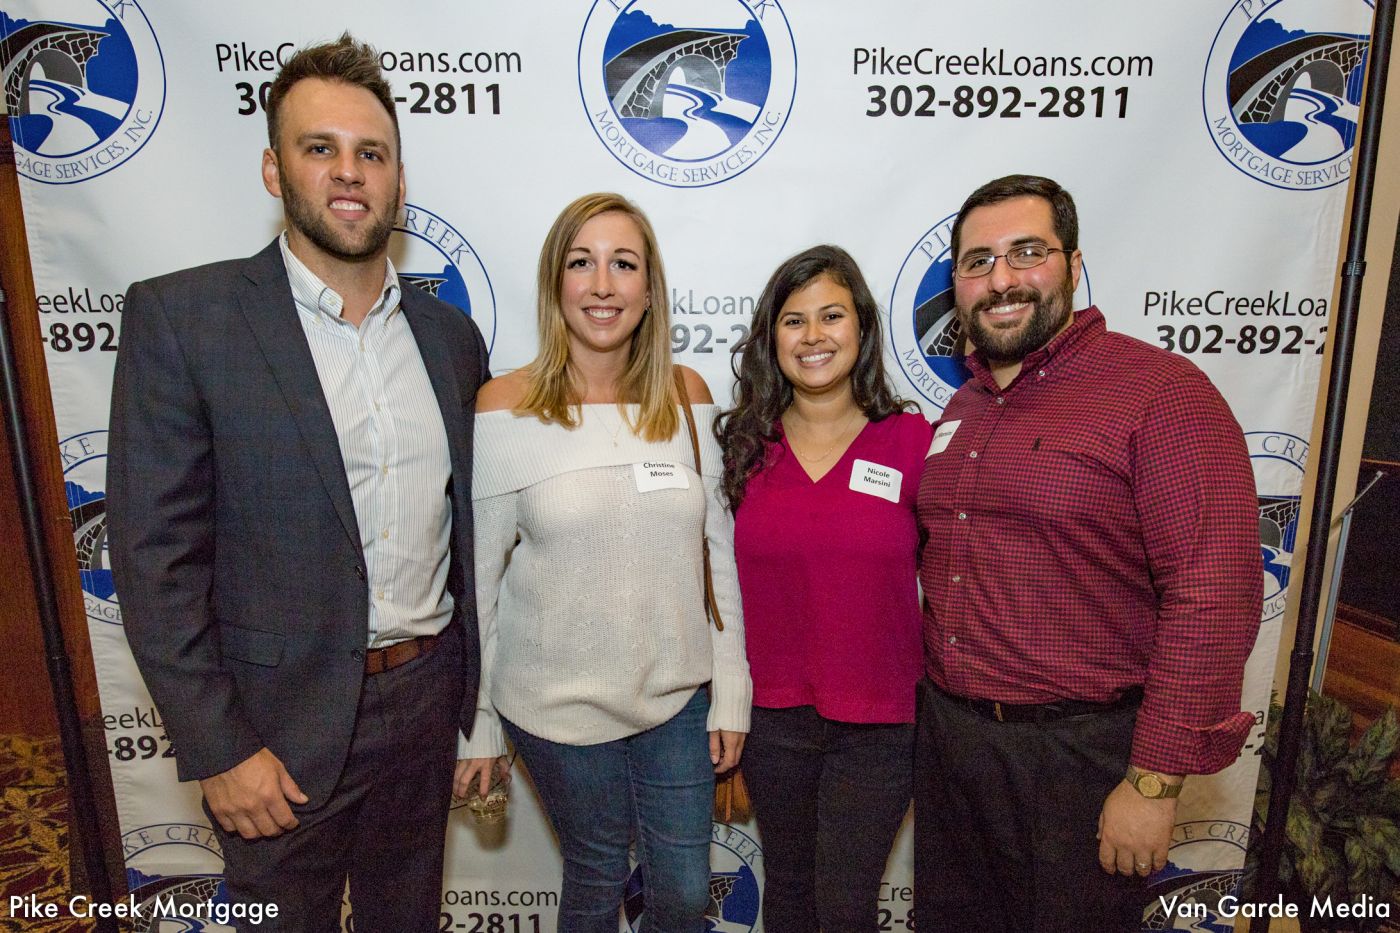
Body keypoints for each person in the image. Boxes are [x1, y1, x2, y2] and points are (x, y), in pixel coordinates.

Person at [106, 34, 489, 932]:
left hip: (426, 708)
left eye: (372, 153)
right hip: (274, 733)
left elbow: (469, 537)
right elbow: (155, 559)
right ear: (275, 169)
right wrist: (218, 748)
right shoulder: (185, 319)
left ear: (399, 179)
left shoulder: (450, 339)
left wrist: (476, 712)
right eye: (321, 148)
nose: (349, 172)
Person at [913, 174, 1263, 932]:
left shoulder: (1159, 392)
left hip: (1081, 758)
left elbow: (1212, 591)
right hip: (952, 745)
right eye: (977, 261)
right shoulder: (964, 406)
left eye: (1026, 252)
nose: (1001, 279)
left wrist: (1153, 782)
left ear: (1073, 265)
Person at [452, 192, 750, 933]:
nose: (603, 284)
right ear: (556, 282)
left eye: (624, 264)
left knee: (683, 893)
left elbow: (718, 554)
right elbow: (478, 587)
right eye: (581, 263)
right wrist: (479, 724)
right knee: (596, 873)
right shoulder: (504, 406)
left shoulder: (686, 396)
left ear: (649, 288)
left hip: (676, 696)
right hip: (553, 704)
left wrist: (732, 692)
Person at [715, 245, 929, 932]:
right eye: (794, 320)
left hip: (881, 723)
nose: (813, 336)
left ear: (861, 326)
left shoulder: (913, 441)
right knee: (787, 894)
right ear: (771, 337)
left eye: (831, 316)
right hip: (772, 719)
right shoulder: (742, 446)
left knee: (843, 906)